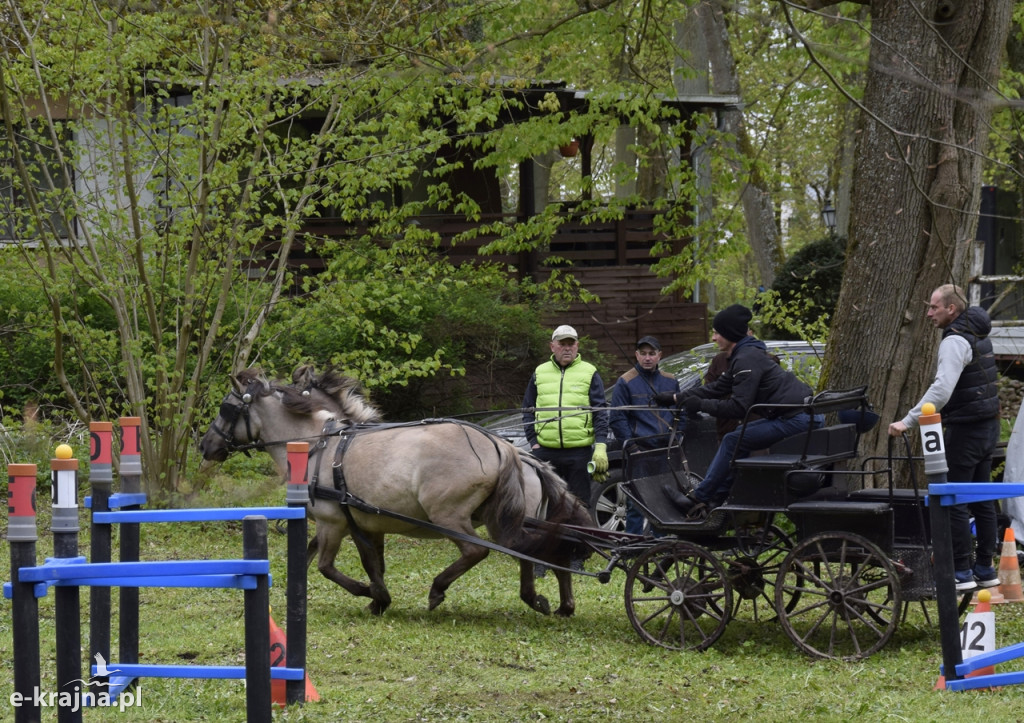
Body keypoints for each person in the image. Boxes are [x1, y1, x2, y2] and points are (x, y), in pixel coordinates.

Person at [654, 304, 821, 520]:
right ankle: (715, 499)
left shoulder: (746, 359)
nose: (713, 338)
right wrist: (677, 397)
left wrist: (700, 405)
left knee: (734, 440)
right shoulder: (746, 354)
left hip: (797, 419)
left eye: (716, 332)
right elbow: (718, 387)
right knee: (736, 440)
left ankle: (699, 498)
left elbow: (738, 408)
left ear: (730, 334)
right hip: (796, 416)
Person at [888, 284, 1001, 592]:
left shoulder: (954, 341)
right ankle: (986, 568)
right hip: (988, 426)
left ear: (952, 309)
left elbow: (941, 390)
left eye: (934, 307)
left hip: (965, 430)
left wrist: (907, 421)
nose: (928, 313)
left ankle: (962, 572)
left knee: (954, 501)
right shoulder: (977, 332)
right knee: (982, 499)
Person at [609, 335, 684, 535]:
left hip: (666, 451)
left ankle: (660, 542)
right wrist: (632, 447)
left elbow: (681, 412)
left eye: (652, 353)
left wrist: (678, 436)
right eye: (643, 354)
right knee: (637, 501)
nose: (647, 358)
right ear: (636, 355)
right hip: (639, 451)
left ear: (660, 355)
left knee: (666, 498)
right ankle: (633, 544)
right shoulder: (625, 381)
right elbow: (617, 418)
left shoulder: (671, 381)